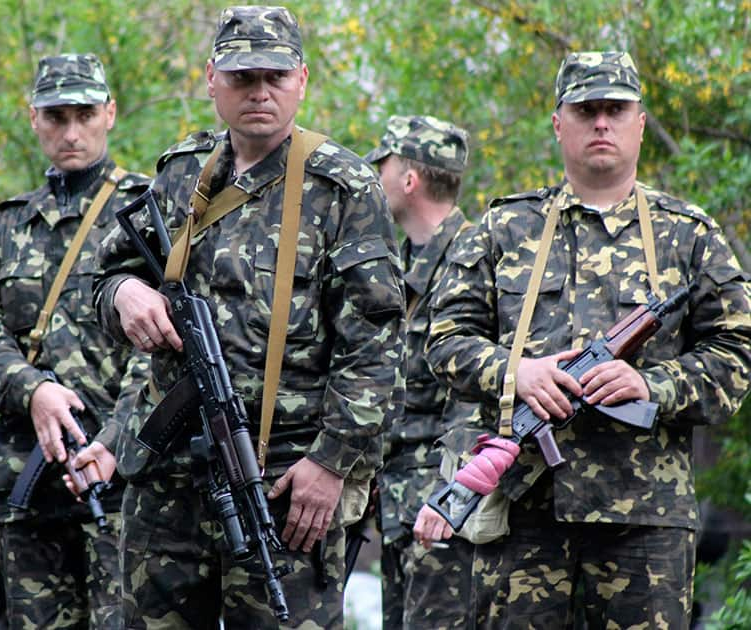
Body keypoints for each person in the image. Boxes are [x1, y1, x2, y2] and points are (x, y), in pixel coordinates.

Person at [92, 5, 404, 628]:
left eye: (275, 76)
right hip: (168, 478)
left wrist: (331, 462)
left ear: (302, 80)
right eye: (241, 77)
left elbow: (377, 344)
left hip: (285, 483)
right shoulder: (181, 172)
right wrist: (126, 295)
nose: (259, 91)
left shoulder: (342, 187)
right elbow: (108, 276)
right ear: (212, 79)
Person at [418, 51, 751, 628]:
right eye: (586, 109)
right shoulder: (504, 228)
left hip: (645, 526)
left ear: (639, 123)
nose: (601, 123)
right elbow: (442, 337)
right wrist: (514, 373)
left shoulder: (690, 235)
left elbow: (737, 354)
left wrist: (652, 384)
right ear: (558, 123)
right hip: (523, 514)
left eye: (615, 110)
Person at [0, 53, 150, 629]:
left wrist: (117, 435)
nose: (71, 131)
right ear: (33, 118)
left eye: (84, 114)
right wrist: (32, 388)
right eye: (55, 116)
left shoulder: (146, 211)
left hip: (121, 476)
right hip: (28, 476)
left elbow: (172, 339)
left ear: (109, 114)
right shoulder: (11, 223)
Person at [363, 115, 477, 630]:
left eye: (382, 165)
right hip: (399, 504)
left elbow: (479, 395)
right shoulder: (403, 264)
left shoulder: (475, 261)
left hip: (447, 508)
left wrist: (450, 493)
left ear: (409, 179)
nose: (375, 178)